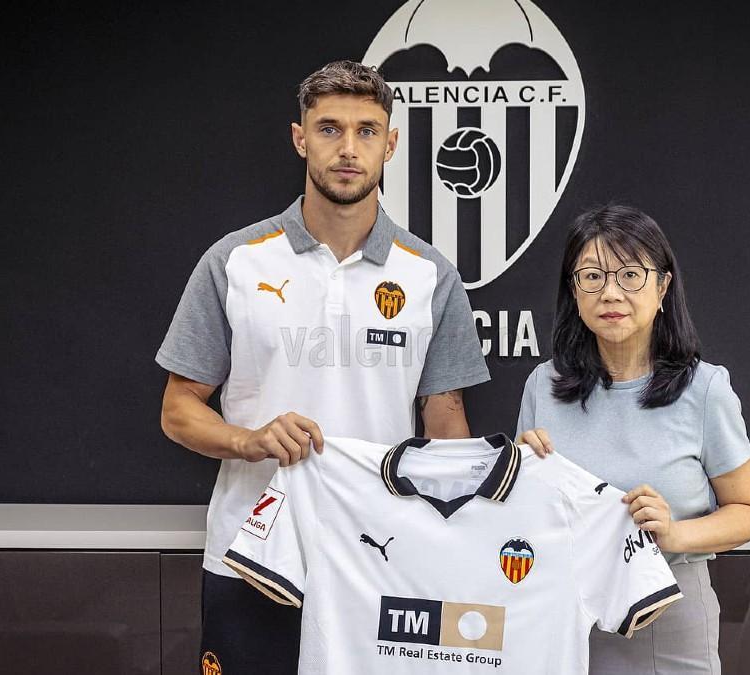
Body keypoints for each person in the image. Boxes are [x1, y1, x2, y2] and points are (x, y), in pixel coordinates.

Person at [156, 60, 490, 675]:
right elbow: (178, 410)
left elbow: (447, 430)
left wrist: (462, 547)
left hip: (381, 559)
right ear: (299, 137)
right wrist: (249, 440)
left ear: (390, 144)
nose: (348, 148)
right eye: (330, 128)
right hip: (248, 554)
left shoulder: (430, 275)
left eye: (367, 131)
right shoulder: (234, 261)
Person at [516, 204, 750, 674]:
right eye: (591, 276)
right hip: (563, 616)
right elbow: (522, 523)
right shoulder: (543, 385)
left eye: (630, 275)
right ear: (574, 292)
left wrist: (675, 531)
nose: (610, 292)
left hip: (668, 612)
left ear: (662, 286)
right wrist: (524, 477)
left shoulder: (704, 389)